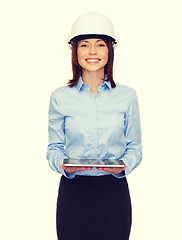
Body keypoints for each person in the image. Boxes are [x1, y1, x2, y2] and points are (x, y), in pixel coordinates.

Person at [47, 12, 142, 240]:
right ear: (75, 51)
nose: (92, 52)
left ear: (109, 50)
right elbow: (53, 148)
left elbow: (135, 147)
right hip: (73, 195)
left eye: (100, 44)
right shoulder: (60, 97)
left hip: (114, 194)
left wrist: (123, 166)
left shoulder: (127, 96)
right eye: (84, 45)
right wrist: (62, 164)